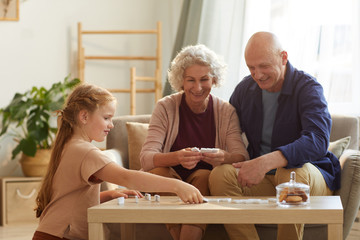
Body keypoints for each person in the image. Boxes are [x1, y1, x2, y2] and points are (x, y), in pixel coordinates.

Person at [208, 32, 341, 240]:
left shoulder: (308, 87)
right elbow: (227, 131)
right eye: (251, 67)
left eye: (264, 66)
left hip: (310, 177)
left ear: (283, 57)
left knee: (291, 175)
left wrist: (265, 162)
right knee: (220, 175)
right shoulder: (245, 89)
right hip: (264, 180)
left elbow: (318, 141)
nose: (257, 74)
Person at [32, 83, 204, 240]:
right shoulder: (86, 152)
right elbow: (127, 177)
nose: (111, 125)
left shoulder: (69, 146)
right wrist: (177, 186)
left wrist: (108, 195)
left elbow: (70, 198)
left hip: (50, 233)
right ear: (84, 116)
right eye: (106, 118)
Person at [140, 44, 249, 240]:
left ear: (214, 79)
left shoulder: (226, 111)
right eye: (191, 80)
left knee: (204, 175)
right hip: (169, 180)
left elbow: (242, 156)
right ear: (181, 81)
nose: (198, 88)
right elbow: (146, 159)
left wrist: (224, 157)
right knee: (160, 173)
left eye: (204, 79)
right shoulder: (165, 107)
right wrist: (177, 157)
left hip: (201, 181)